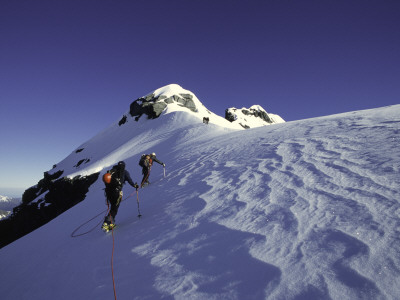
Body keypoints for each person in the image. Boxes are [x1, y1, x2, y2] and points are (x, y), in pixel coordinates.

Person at [102, 161, 138, 230]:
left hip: (108, 192)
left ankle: (110, 221)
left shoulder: (112, 171)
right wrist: (135, 185)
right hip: (116, 192)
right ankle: (108, 222)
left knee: (113, 207)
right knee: (115, 208)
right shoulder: (124, 172)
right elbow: (130, 181)